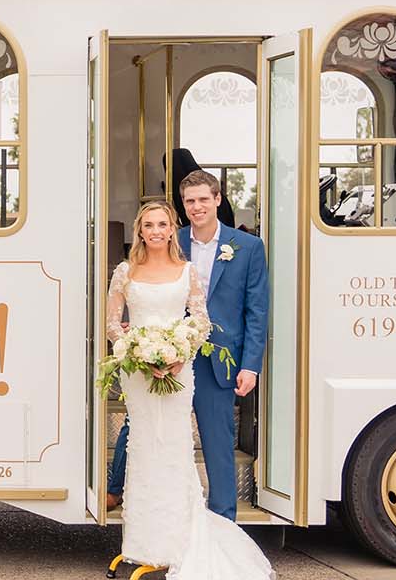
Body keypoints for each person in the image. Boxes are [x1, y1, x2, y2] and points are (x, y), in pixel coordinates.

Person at [104, 200, 272, 579]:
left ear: (171, 228)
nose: (157, 231)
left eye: (163, 224)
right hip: (138, 374)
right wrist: (137, 352)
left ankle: (176, 543)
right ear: (140, 231)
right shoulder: (125, 272)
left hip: (180, 373)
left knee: (174, 450)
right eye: (150, 225)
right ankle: (141, 544)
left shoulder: (188, 272)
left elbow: (200, 322)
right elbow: (113, 323)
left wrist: (180, 355)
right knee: (144, 449)